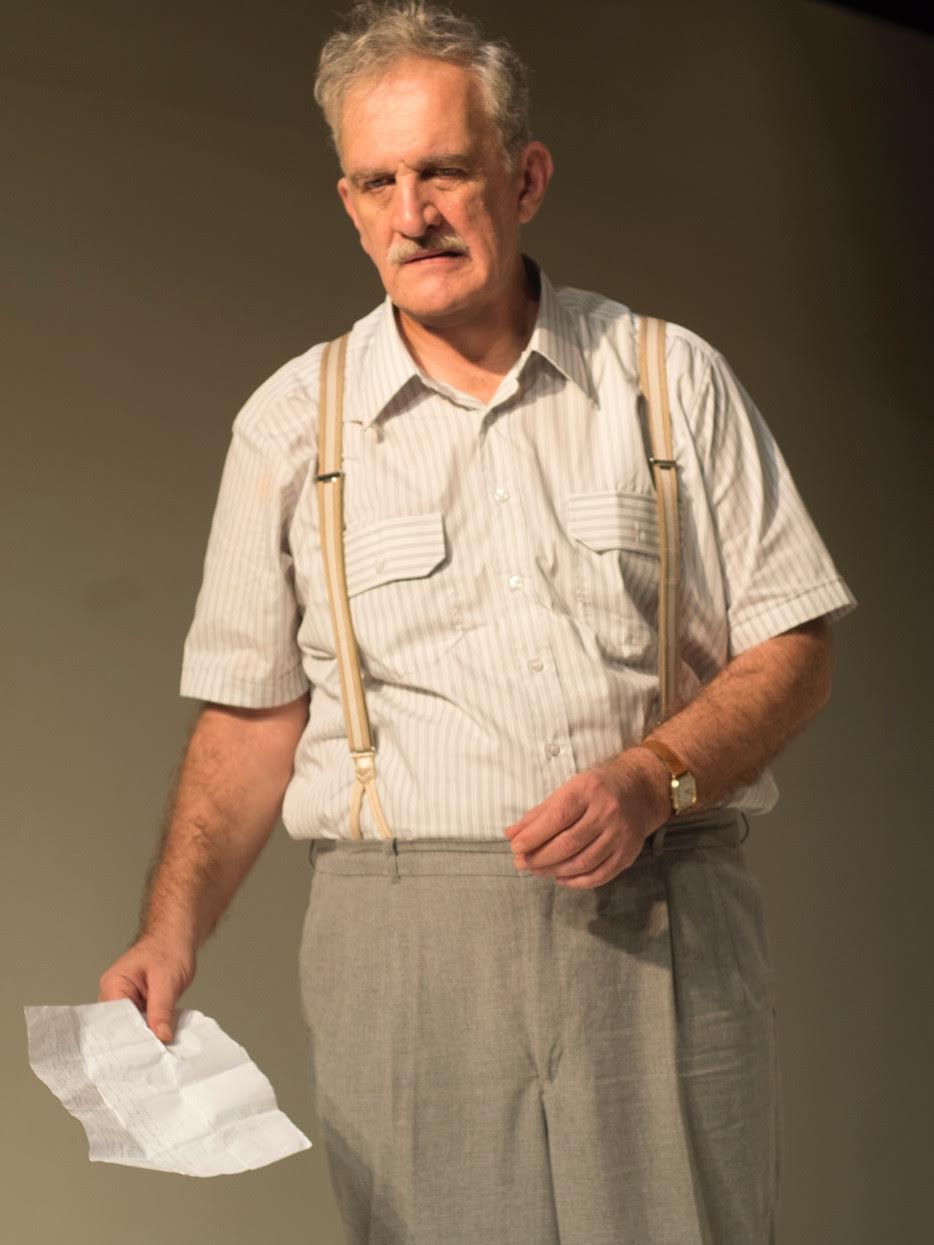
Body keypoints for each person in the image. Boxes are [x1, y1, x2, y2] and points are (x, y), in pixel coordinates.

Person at [98, 2, 857, 1242]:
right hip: (402, 941)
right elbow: (250, 718)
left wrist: (653, 777)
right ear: (349, 205)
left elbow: (795, 650)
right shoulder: (289, 425)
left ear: (525, 177)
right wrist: (168, 933)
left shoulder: (666, 378)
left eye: (445, 170)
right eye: (378, 182)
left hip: (662, 908)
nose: (414, 213)